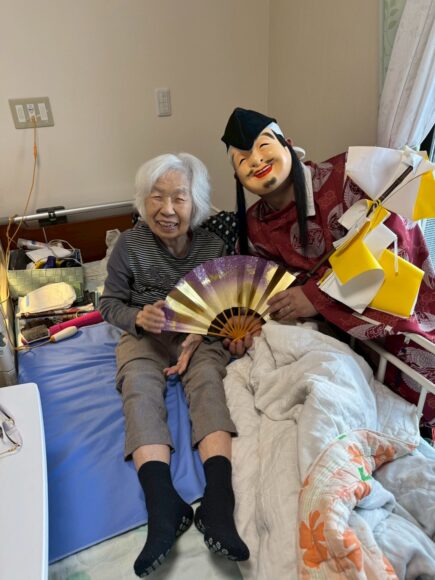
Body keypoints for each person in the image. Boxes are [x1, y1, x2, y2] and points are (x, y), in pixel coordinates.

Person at [220, 107, 435, 425]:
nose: (256, 161)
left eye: (264, 146)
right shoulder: (253, 227)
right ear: (237, 177)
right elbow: (260, 290)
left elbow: (392, 242)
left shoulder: (349, 175)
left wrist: (317, 297)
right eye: (242, 160)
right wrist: (249, 321)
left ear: (288, 144)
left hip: (397, 321)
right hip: (337, 346)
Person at [99, 153, 249, 577]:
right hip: (146, 335)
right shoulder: (128, 246)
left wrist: (203, 331)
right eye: (156, 197)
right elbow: (108, 304)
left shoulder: (213, 247)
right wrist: (137, 316)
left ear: (195, 202)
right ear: (143, 201)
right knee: (137, 386)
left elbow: (226, 304)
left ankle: (218, 500)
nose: (167, 209)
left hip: (197, 335)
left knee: (208, 383)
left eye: (178, 198)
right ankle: (163, 503)